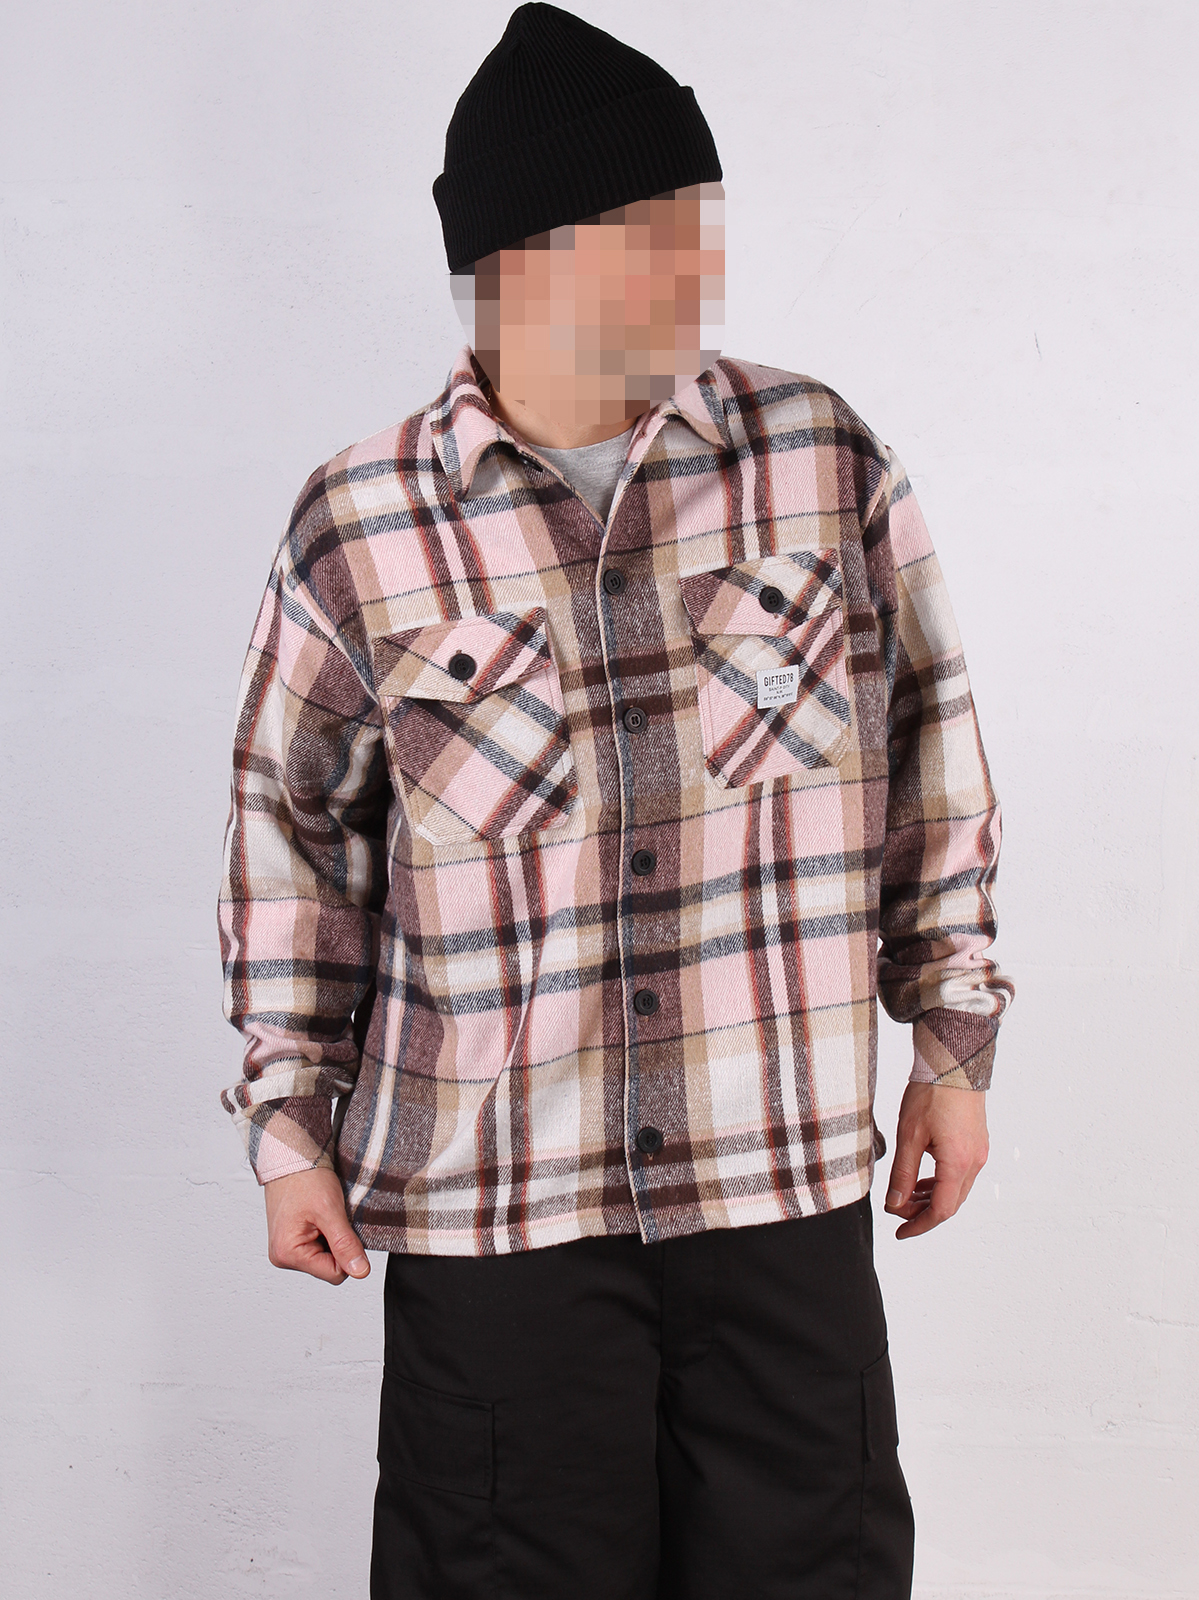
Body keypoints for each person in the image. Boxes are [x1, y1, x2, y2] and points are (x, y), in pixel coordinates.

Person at [218, 6, 1015, 1596]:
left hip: (771, 1169)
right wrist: (290, 1126)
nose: (695, 277)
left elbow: (935, 752)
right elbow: (292, 847)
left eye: (700, 231)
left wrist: (953, 1041)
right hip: (496, 1203)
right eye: (649, 238)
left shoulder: (818, 458)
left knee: (815, 1572)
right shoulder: (360, 522)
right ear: (518, 263)